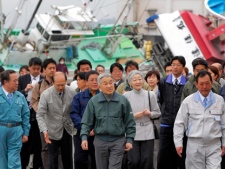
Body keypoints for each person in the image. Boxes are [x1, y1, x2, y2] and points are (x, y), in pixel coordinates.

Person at [80, 73, 136, 169]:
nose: (109, 86)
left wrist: (130, 139)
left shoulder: (123, 100)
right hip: (100, 141)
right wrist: (84, 137)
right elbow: (86, 122)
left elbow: (130, 122)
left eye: (111, 82)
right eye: (105, 83)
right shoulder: (94, 101)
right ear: (100, 86)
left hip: (118, 141)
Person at [174, 70, 225, 168]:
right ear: (196, 84)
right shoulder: (188, 101)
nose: (204, 87)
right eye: (201, 84)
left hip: (214, 144)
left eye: (207, 83)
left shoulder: (219, 100)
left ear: (212, 83)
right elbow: (179, 123)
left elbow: (224, 124)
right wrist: (178, 143)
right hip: (195, 145)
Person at [37, 72, 76, 169]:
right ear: (53, 82)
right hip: (51, 131)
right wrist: (44, 130)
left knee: (68, 159)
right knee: (52, 159)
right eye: (58, 85)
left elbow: (75, 110)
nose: (61, 87)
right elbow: (40, 115)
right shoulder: (46, 94)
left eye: (63, 84)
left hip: (67, 129)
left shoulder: (72, 92)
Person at [124, 70, 161, 169]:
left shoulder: (150, 94)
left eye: (140, 79)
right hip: (132, 131)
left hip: (148, 131)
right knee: (133, 160)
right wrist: (134, 116)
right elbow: (123, 116)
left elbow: (157, 112)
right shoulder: (126, 96)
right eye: (135, 80)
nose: (138, 82)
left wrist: (150, 113)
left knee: (147, 160)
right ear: (130, 82)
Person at [31, 58, 63, 169]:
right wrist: (41, 111)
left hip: (58, 122)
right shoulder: (39, 85)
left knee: (59, 148)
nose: (52, 70)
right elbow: (34, 101)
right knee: (45, 147)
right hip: (44, 121)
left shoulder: (61, 84)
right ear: (44, 70)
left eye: (54, 68)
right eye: (50, 68)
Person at [157, 56, 188, 169]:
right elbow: (160, 100)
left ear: (183, 67)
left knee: (181, 154)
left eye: (178, 65)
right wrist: (165, 113)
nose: (175, 67)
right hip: (167, 123)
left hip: (183, 124)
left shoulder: (188, 83)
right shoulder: (163, 81)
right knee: (164, 154)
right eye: (173, 64)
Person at [0, 70, 30, 169]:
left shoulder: (20, 96)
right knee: (2, 159)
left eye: (17, 80)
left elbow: (26, 115)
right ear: (5, 82)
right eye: (14, 80)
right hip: (1, 129)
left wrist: (26, 132)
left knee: (14, 160)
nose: (17, 83)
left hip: (16, 130)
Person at [70, 71, 99, 169]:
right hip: (81, 133)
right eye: (92, 80)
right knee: (79, 159)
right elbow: (74, 114)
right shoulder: (78, 97)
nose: (95, 82)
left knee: (97, 160)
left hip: (99, 134)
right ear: (86, 82)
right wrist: (85, 129)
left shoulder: (103, 97)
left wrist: (95, 129)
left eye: (97, 80)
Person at [18, 57, 43, 169]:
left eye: (38, 69)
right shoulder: (22, 79)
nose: (36, 71)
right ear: (29, 67)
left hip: (39, 113)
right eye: (34, 68)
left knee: (39, 142)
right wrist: (25, 90)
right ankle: (23, 165)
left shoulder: (43, 79)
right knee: (25, 142)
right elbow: (16, 94)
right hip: (25, 113)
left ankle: (37, 165)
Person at [144, 70, 161, 169]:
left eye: (153, 77)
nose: (151, 79)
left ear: (158, 79)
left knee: (155, 148)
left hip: (156, 122)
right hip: (146, 123)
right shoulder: (145, 92)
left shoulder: (159, 92)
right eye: (149, 77)